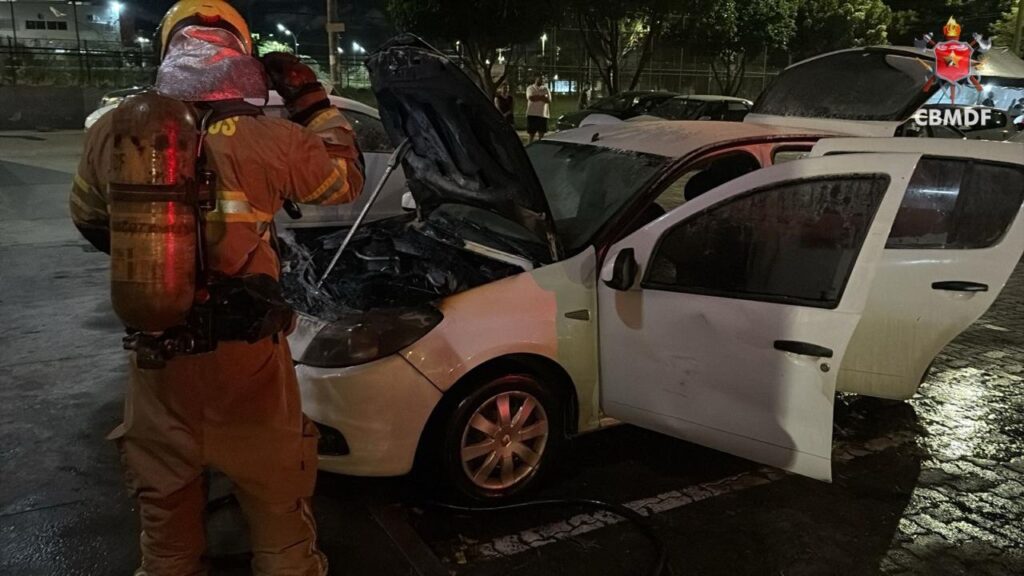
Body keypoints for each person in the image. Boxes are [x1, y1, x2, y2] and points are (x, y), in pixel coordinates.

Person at [69, 1, 364, 574]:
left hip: (160, 360)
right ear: (241, 52)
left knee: (168, 543)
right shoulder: (270, 139)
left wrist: (163, 269)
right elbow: (344, 179)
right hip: (248, 367)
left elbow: (87, 218)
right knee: (281, 530)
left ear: (167, 49)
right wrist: (311, 101)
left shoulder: (115, 130)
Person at [525, 75, 551, 142]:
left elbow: (548, 100)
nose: (541, 80)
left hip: (543, 115)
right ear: (536, 79)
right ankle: (529, 148)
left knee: (541, 135)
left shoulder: (546, 89)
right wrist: (542, 97)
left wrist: (537, 97)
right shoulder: (530, 88)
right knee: (531, 134)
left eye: (543, 79)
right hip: (532, 114)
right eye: (540, 79)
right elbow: (531, 98)